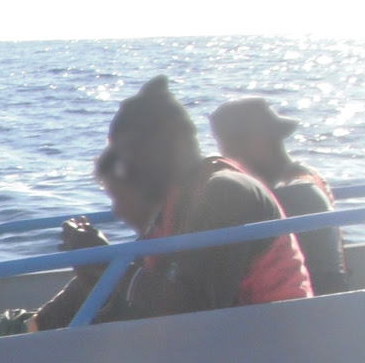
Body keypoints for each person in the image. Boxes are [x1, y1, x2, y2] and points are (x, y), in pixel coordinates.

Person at [35, 76, 311, 330]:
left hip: (271, 353)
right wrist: (91, 270)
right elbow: (137, 281)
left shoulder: (226, 193)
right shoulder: (174, 205)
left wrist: (107, 267)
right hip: (225, 352)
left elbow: (198, 316)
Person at [210, 96, 348, 295]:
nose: (226, 156)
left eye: (226, 145)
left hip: (307, 311)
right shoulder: (307, 177)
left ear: (257, 141)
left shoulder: (292, 194)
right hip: (322, 303)